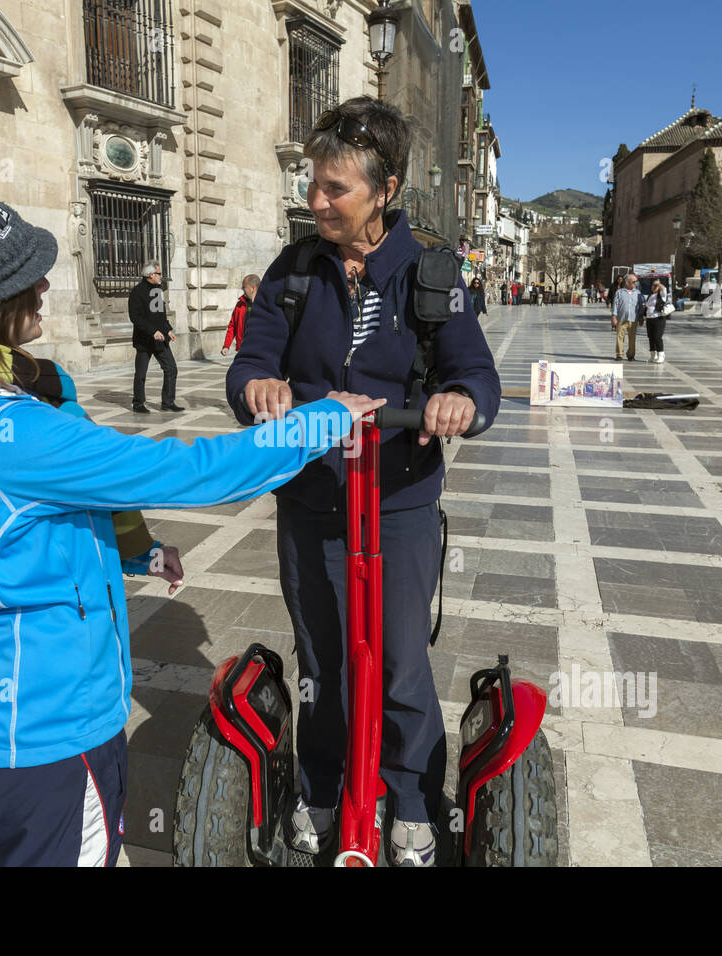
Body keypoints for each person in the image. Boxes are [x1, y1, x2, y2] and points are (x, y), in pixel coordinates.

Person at [0, 186, 384, 867]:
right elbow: (187, 470)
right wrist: (321, 419)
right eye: (22, 275)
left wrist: (140, 556)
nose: (42, 284)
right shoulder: (9, 432)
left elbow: (31, 535)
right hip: (49, 726)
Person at [227, 95, 501, 867]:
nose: (316, 200)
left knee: (401, 657)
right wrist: (258, 389)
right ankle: (320, 783)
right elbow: (253, 358)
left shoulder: (430, 270)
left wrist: (459, 402)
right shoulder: (294, 269)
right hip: (312, 498)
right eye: (314, 184)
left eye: (335, 189)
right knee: (323, 657)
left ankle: (412, 794)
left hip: (399, 499)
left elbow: (478, 376)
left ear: (385, 191)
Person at [129, 262, 181, 413]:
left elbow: (161, 315)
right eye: (159, 274)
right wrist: (152, 331)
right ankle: (138, 404)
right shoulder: (137, 292)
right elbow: (136, 317)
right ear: (151, 275)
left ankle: (168, 402)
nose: (161, 277)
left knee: (171, 368)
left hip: (160, 339)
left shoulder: (158, 290)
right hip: (144, 341)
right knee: (141, 374)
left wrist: (168, 330)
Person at [221, 274, 259, 356]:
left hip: (258, 350)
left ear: (252, 288)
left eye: (244, 286)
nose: (242, 288)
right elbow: (232, 326)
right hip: (242, 349)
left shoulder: (263, 305)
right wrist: (226, 346)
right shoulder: (240, 305)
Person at [611, 272, 643, 362]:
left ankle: (631, 355)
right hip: (621, 318)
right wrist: (614, 316)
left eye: (636, 281)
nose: (635, 283)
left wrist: (641, 317)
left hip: (633, 319)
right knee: (619, 337)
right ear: (627, 282)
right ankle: (619, 354)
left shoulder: (638, 293)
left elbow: (640, 306)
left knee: (632, 338)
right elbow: (615, 305)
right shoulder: (619, 292)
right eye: (634, 282)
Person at [644, 278, 673, 364]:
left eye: (655, 286)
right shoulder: (650, 295)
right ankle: (653, 356)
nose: (653, 287)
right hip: (649, 319)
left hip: (658, 319)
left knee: (657, 337)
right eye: (653, 285)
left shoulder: (661, 295)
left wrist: (658, 284)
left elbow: (664, 289)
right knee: (651, 338)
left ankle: (661, 355)